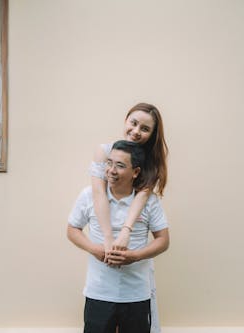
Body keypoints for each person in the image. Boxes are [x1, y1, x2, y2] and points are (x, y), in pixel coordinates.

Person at [67, 140, 170, 333]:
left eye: (120, 166)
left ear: (136, 172)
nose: (111, 170)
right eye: (109, 163)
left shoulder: (149, 201)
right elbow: (72, 229)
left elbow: (163, 240)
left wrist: (135, 256)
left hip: (136, 294)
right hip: (98, 292)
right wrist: (94, 249)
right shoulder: (89, 195)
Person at [89, 102, 168, 333]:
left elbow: (140, 199)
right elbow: (99, 196)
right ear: (126, 120)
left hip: (135, 277)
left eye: (145, 129)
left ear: (152, 135)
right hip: (100, 282)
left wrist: (125, 233)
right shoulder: (105, 151)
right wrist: (106, 240)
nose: (136, 131)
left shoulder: (150, 162)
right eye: (133, 123)